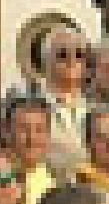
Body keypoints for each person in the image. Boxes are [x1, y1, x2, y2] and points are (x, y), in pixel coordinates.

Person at [38, 27, 93, 178]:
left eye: (79, 55)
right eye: (63, 54)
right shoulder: (31, 106)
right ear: (46, 61)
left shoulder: (94, 108)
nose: (72, 60)